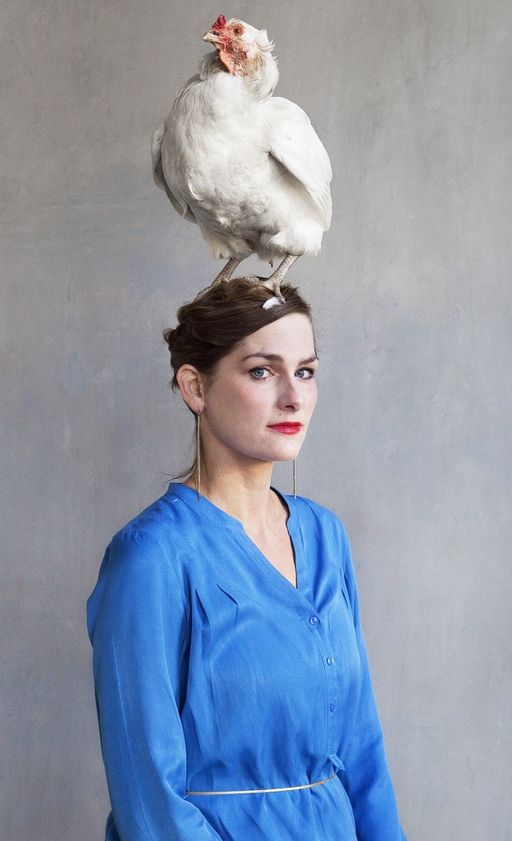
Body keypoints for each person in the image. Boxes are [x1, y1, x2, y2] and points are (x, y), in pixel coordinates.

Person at [86, 277, 407, 841]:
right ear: (195, 387)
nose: (294, 397)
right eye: (262, 371)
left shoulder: (324, 536)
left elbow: (361, 747)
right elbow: (148, 798)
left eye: (305, 371)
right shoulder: (152, 558)